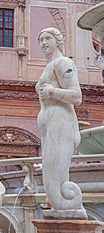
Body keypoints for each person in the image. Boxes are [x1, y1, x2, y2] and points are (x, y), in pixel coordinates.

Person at [36, 27, 86, 217]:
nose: (44, 43)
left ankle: (70, 210)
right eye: (41, 40)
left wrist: (53, 92)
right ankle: (62, 211)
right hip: (49, 124)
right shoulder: (48, 67)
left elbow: (77, 96)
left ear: (57, 40)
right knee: (51, 175)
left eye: (48, 38)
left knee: (55, 178)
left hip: (61, 122)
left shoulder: (63, 62)